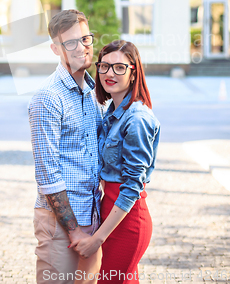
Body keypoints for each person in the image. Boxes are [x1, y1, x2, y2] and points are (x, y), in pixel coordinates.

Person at [70, 40, 160, 284]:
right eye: (104, 66)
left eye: (119, 67)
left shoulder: (137, 119)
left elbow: (132, 187)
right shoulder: (112, 112)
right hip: (110, 215)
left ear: (133, 72)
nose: (109, 73)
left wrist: (97, 238)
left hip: (128, 222)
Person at [28, 9, 102, 284]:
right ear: (55, 49)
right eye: (70, 42)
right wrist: (74, 232)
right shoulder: (48, 98)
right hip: (62, 227)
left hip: (91, 220)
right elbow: (47, 175)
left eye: (85, 39)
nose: (81, 47)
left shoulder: (93, 92)